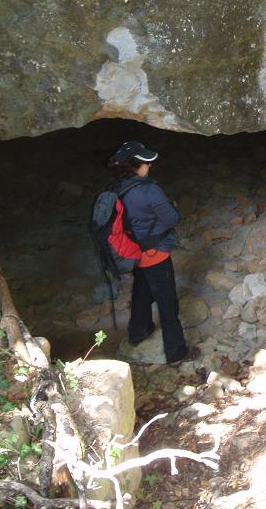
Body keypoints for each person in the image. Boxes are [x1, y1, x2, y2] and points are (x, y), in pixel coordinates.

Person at [107, 141, 195, 365]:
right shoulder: (149, 190)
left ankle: (139, 331)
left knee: (142, 291)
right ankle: (176, 353)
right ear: (137, 166)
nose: (150, 167)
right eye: (147, 163)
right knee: (167, 303)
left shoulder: (116, 187)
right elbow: (171, 219)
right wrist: (171, 206)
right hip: (156, 254)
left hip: (135, 252)